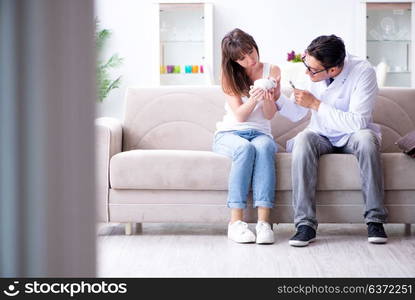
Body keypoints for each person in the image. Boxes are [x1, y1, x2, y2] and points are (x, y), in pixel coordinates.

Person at [276, 35, 388, 247]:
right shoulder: (310, 68)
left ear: (334, 70)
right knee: (302, 140)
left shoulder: (363, 72)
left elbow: (358, 122)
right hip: (321, 133)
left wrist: (317, 105)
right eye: (306, 65)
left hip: (352, 134)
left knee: (367, 140)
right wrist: (277, 98)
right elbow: (297, 113)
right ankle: (305, 225)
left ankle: (375, 220)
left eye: (313, 70)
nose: (307, 73)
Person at [213, 28, 281, 244]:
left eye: (251, 52)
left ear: (254, 45)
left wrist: (269, 98)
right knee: (245, 148)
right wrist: (253, 98)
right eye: (242, 58)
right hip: (230, 133)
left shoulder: (273, 70)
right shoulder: (228, 74)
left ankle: (263, 224)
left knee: (264, 147)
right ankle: (235, 223)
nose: (250, 60)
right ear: (234, 60)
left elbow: (270, 115)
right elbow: (240, 116)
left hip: (261, 132)